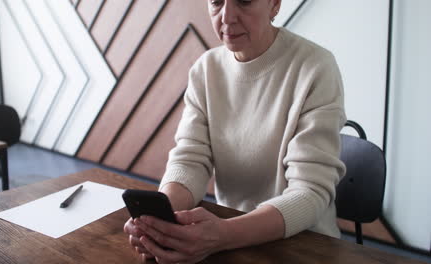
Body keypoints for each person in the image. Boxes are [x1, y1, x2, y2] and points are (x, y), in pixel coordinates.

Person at [124, 0, 346, 263]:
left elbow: (309, 193)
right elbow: (190, 160)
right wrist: (160, 221)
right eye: (217, 2)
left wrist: (224, 234)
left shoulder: (316, 67)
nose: (227, 17)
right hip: (230, 238)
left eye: (244, 1)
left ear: (274, 4)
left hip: (304, 244)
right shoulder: (205, 70)